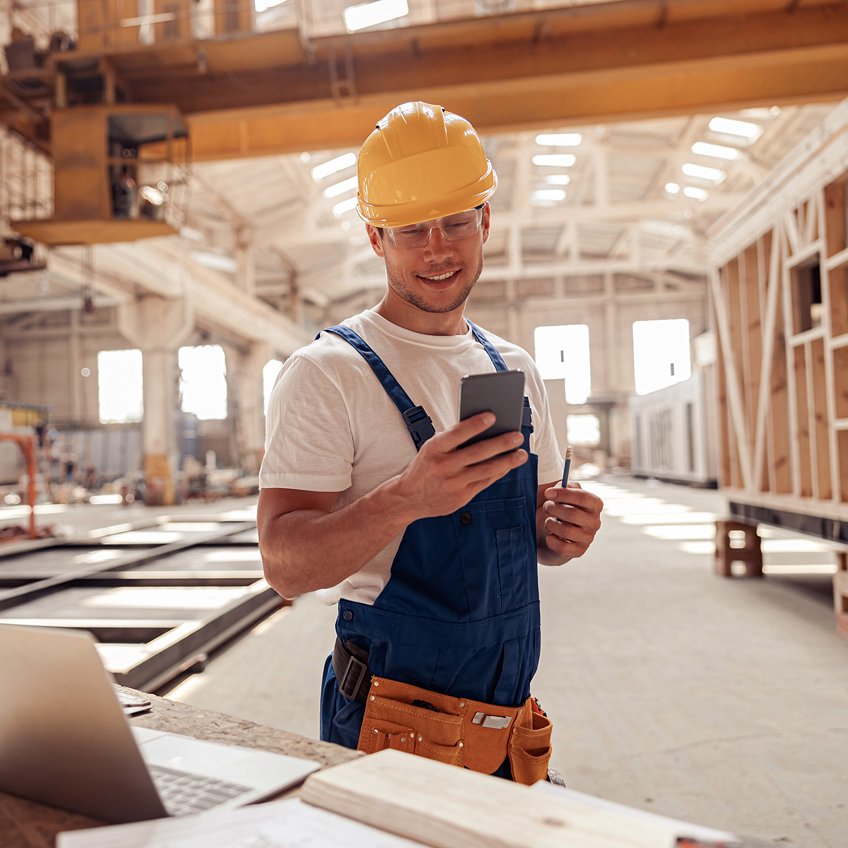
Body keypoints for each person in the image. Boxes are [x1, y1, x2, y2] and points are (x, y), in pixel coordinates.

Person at [258, 101, 603, 783]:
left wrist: (559, 535)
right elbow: (284, 568)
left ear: (485, 222)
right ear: (375, 238)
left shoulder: (512, 369)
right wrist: (406, 499)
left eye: (454, 223)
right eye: (412, 229)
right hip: (388, 726)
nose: (437, 249)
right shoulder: (328, 373)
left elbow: (531, 538)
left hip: (507, 722)